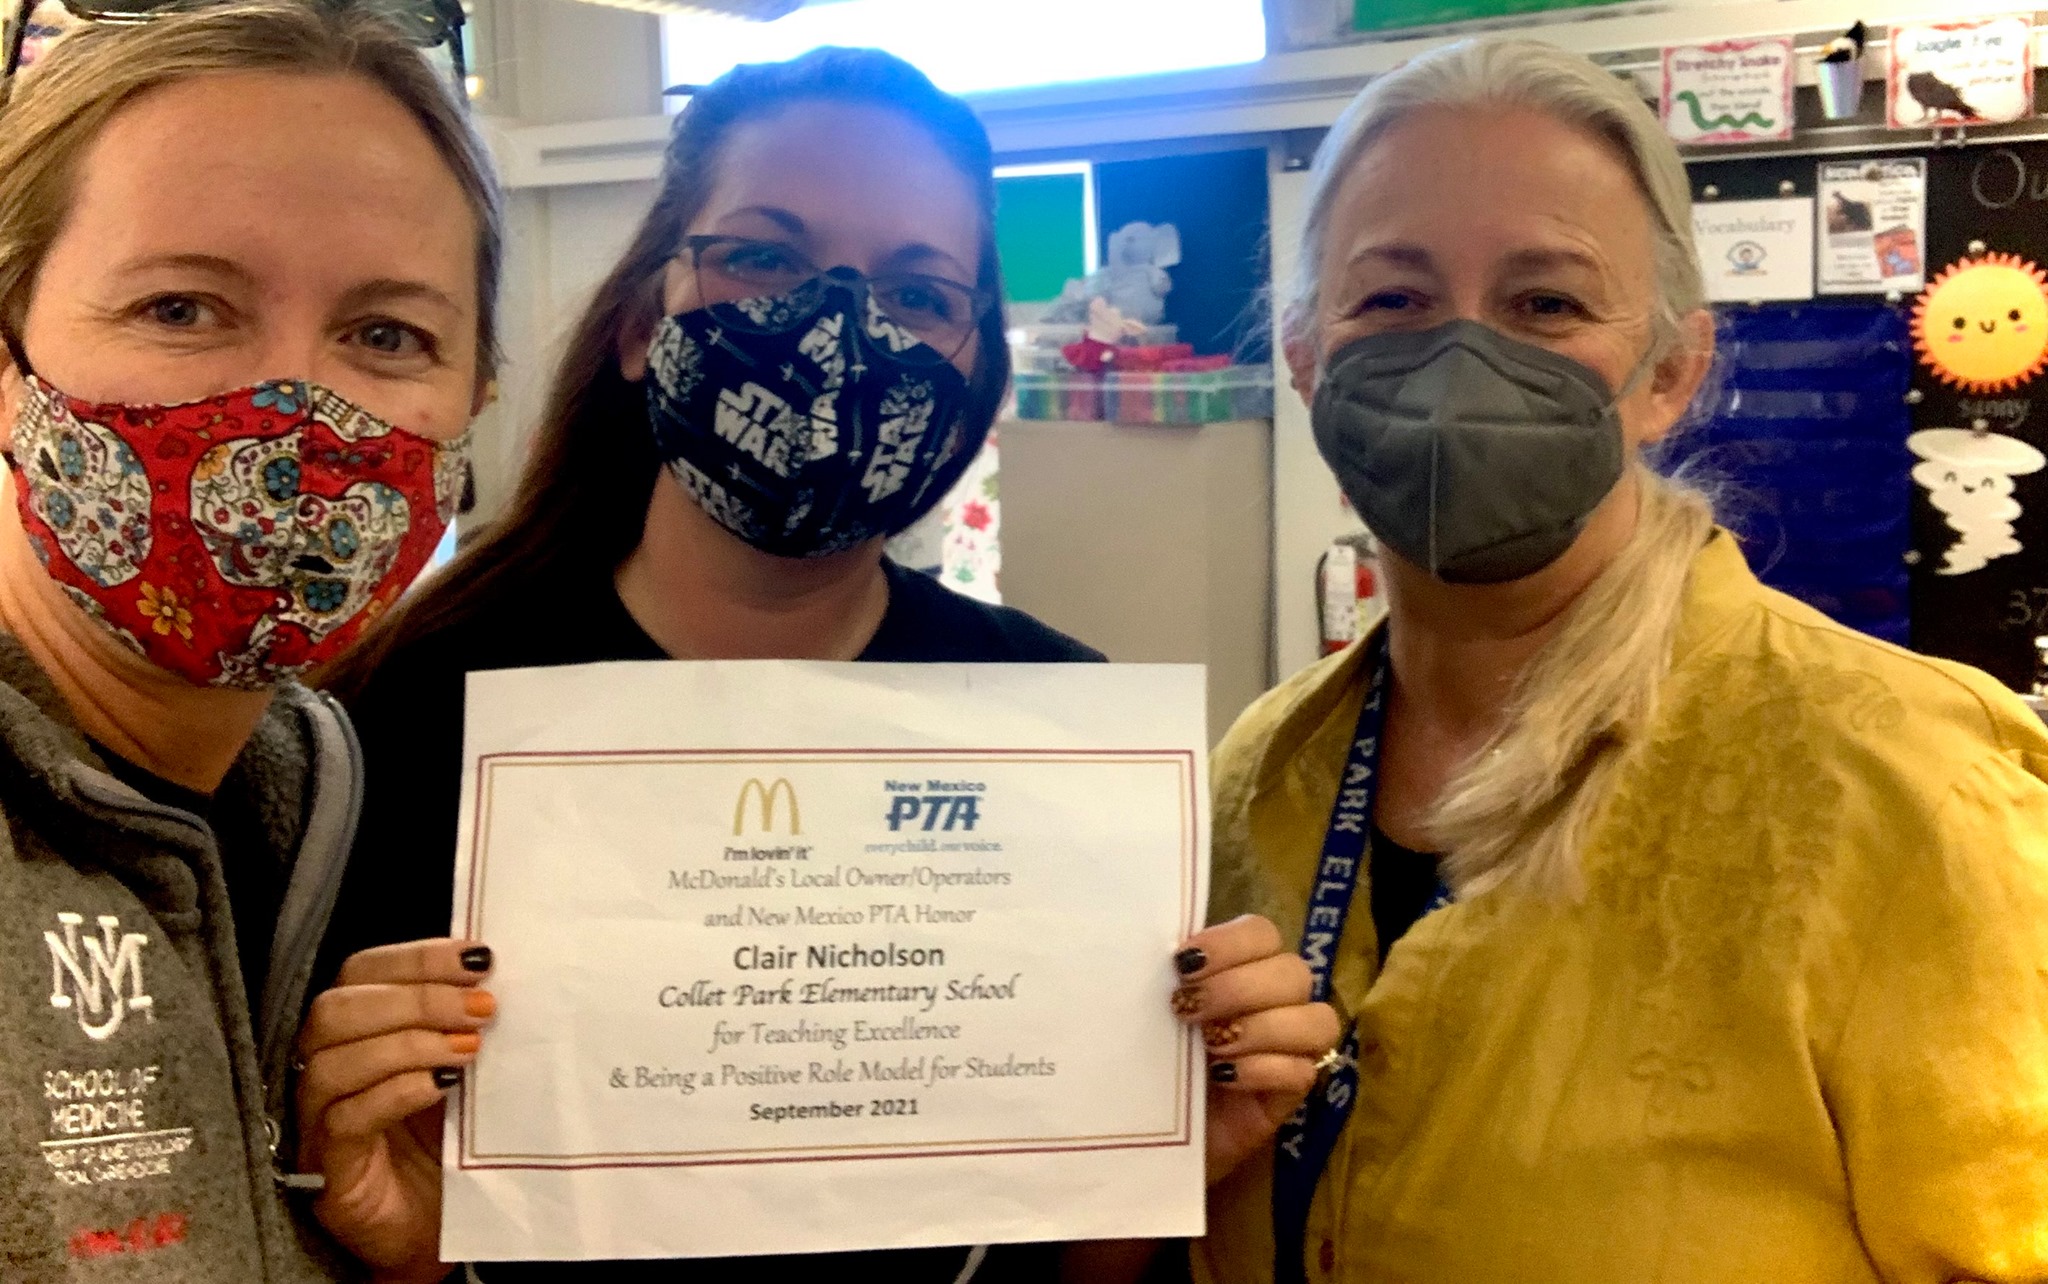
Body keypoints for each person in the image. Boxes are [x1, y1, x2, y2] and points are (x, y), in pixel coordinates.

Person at [300, 46, 1338, 1284]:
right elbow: (369, 1227)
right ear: (641, 324)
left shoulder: (1055, 737)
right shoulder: (392, 717)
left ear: (972, 372)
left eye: (917, 291)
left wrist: (1166, 1151)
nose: (839, 328)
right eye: (763, 258)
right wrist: (393, 1239)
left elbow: (1072, 1269)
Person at [1195, 33, 2048, 1284]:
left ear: (1669, 374)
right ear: (1307, 362)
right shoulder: (1255, 778)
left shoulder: (1909, 791)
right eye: (1391, 301)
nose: (1458, 361)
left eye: (1544, 303)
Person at [0, 2, 499, 1279]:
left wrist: (390, 1265)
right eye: (181, 307)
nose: (296, 408)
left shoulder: (309, 798)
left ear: (475, 397)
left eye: (386, 335)